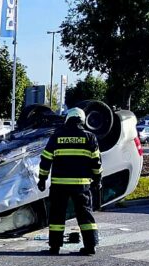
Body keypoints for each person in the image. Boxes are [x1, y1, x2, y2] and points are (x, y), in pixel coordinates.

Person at [37, 107, 102, 256]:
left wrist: (42, 179)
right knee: (85, 215)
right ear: (82, 120)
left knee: (57, 215)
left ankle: (54, 247)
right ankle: (91, 246)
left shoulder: (56, 137)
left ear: (67, 119)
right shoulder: (90, 137)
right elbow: (96, 162)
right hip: (81, 185)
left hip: (59, 184)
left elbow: (46, 159)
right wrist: (98, 180)